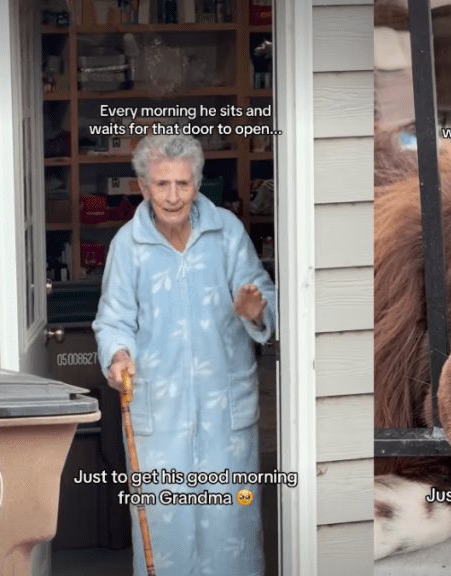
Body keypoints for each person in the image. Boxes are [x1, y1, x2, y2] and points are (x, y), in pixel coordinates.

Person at [93, 134, 276, 576]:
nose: (173, 196)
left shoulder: (226, 232)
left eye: (183, 184)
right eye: (162, 184)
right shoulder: (128, 245)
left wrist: (256, 311)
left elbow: (261, 292)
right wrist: (118, 355)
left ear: (198, 185)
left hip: (223, 411)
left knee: (229, 524)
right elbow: (113, 319)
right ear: (143, 186)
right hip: (160, 409)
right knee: (164, 528)